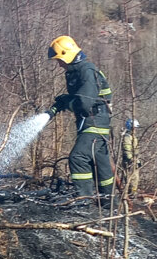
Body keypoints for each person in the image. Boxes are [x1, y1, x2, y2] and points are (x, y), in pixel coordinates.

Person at [44, 35, 115, 203]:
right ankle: (109, 204)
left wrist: (67, 101)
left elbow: (84, 103)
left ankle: (84, 202)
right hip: (93, 122)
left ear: (67, 55)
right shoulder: (77, 72)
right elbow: (81, 98)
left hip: (95, 122)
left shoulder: (86, 71)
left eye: (60, 60)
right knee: (101, 165)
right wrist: (60, 104)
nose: (59, 64)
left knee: (78, 157)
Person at [121, 119, 140, 196]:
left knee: (135, 178)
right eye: (135, 128)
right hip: (129, 161)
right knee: (131, 178)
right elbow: (127, 149)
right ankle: (130, 194)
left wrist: (137, 161)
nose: (136, 130)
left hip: (134, 160)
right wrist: (131, 160)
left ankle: (133, 192)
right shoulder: (127, 137)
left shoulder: (132, 137)